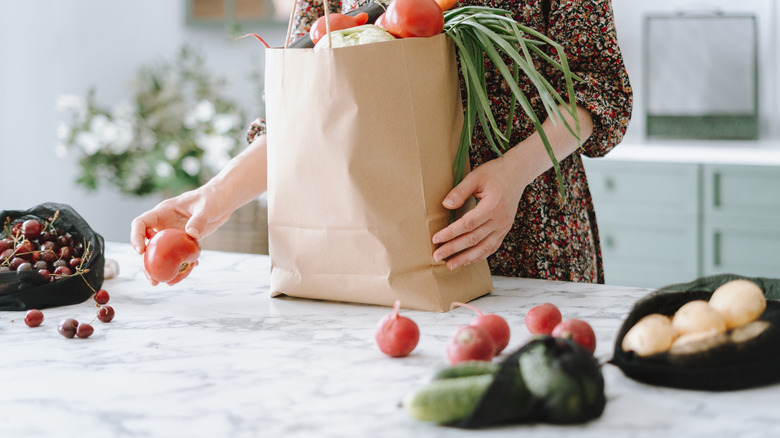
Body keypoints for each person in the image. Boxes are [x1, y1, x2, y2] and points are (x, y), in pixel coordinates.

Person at [131, 0, 632, 284]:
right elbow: (308, 109)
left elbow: (599, 89)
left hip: (527, 232)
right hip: (375, 246)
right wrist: (213, 197)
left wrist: (514, 172)